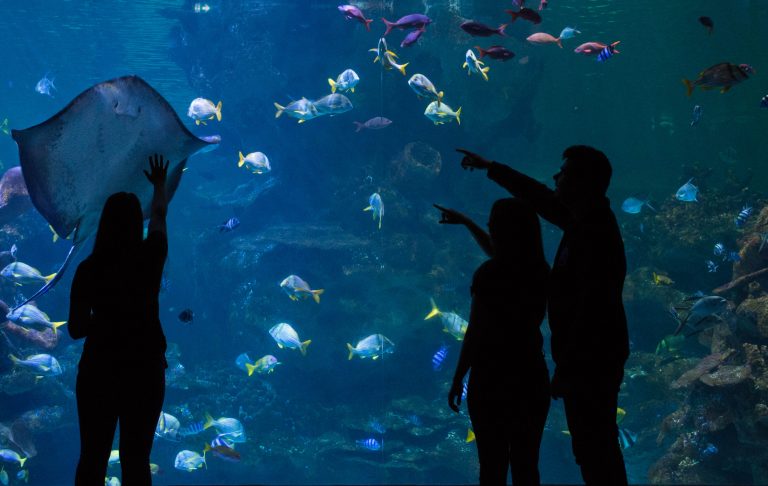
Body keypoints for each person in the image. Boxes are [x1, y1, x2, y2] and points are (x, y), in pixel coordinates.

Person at [457, 146, 629, 485]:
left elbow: (594, 308)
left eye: (564, 173)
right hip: (587, 359)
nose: (556, 178)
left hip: (592, 360)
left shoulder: (595, 233)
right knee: (590, 448)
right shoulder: (583, 221)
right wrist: (493, 167)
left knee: (596, 449)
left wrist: (568, 366)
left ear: (583, 182)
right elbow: (541, 199)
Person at [68, 154, 170, 486]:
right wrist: (158, 185)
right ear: (134, 226)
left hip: (100, 371)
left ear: (105, 225)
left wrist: (104, 322)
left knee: (92, 458)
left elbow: (75, 329)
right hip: (144, 370)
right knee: (137, 459)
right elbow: (158, 216)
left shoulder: (89, 270)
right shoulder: (150, 258)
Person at [439, 198, 550, 485]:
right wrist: (467, 222)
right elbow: (506, 255)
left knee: (492, 466)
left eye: (492, 223)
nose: (488, 225)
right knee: (527, 465)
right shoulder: (540, 271)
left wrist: (458, 376)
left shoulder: (489, 275)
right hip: (530, 376)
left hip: (491, 379)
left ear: (501, 229)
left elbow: (475, 331)